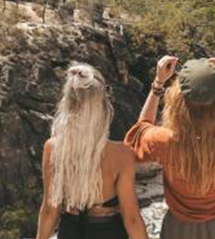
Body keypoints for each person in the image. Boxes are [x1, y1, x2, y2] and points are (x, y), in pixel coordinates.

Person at [125, 56, 215, 239]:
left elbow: (137, 134)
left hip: (179, 229)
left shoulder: (164, 141)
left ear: (177, 101)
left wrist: (158, 84)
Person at [36, 63, 149, 239]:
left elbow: (51, 209)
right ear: (103, 106)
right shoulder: (121, 154)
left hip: (70, 231)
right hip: (109, 231)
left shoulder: (53, 148)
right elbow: (132, 218)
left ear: (68, 104)